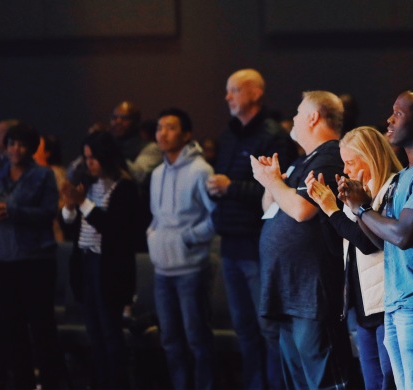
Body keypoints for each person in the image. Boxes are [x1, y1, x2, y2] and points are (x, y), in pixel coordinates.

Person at [337, 90, 413, 390]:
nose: (389, 120)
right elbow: (383, 242)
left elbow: (403, 235)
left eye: (399, 113)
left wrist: (363, 208)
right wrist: (357, 207)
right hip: (399, 300)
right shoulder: (406, 175)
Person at [251, 91, 351, 389]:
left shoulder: (332, 155)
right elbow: (270, 207)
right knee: (297, 382)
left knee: (323, 380)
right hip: (288, 289)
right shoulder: (302, 161)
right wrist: (272, 181)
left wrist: (274, 182)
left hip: (311, 289)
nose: (292, 118)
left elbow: (301, 210)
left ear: (313, 116)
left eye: (298, 111)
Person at [206, 69, 296, 390]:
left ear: (255, 93)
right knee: (243, 328)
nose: (228, 97)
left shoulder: (273, 136)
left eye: (234, 91)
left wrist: (230, 188)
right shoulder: (228, 135)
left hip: (258, 246)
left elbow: (278, 192)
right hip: (229, 244)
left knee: (269, 329)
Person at [305, 125, 402, 390]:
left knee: (389, 382)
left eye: (350, 162)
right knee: (371, 383)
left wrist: (333, 210)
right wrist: (326, 206)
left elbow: (368, 244)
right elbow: (339, 247)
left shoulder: (392, 189)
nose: (345, 170)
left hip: (386, 302)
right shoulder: (357, 197)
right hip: (362, 304)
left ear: (369, 158)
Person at [0, 123, 66, 389]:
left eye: (22, 145)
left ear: (31, 148)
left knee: (40, 325)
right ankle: (22, 381)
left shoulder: (43, 176)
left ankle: (50, 381)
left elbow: (48, 213)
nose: (16, 149)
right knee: (10, 326)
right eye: (12, 144)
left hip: (33, 259)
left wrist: (13, 210)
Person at [61, 131, 138, 389]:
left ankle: (116, 383)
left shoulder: (124, 187)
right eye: (86, 158)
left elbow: (113, 228)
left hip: (109, 269)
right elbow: (71, 225)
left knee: (109, 332)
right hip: (85, 262)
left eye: (94, 158)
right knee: (93, 333)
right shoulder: (88, 184)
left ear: (107, 157)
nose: (89, 163)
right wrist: (70, 206)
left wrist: (82, 203)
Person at [148, 108, 216, 390]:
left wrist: (187, 238)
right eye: (159, 127)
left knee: (197, 339)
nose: (162, 133)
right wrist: (153, 236)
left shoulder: (201, 170)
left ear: (186, 134)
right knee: (170, 340)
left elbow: (216, 216)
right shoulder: (156, 172)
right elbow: (156, 216)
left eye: (170, 127)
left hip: (191, 268)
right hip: (161, 270)